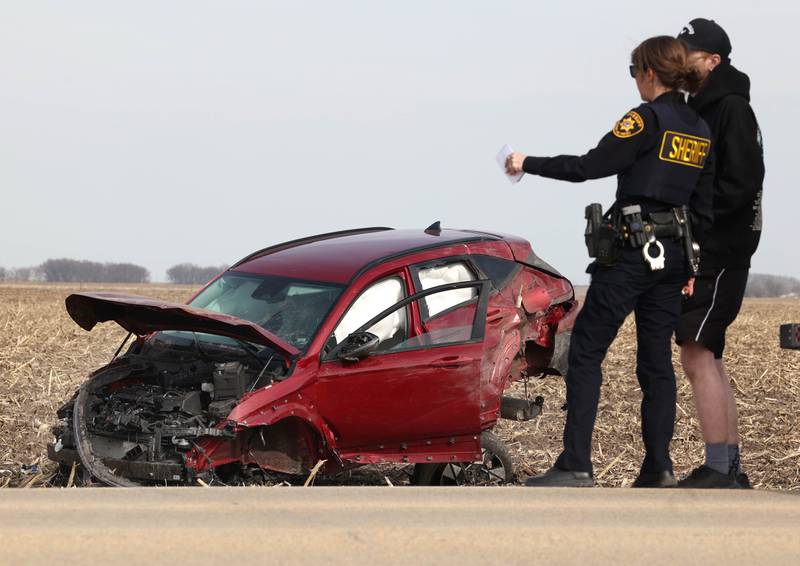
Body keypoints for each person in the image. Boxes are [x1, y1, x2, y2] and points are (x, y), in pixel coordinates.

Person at [506, 36, 714, 487]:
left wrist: (527, 162)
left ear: (649, 72)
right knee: (656, 361)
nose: (635, 81)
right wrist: (694, 268)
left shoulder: (645, 118)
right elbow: (705, 204)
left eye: (634, 72)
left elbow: (588, 166)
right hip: (676, 256)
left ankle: (576, 463)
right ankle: (658, 468)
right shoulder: (698, 127)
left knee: (586, 351)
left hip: (632, 253)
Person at [674, 18, 764, 489]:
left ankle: (719, 468)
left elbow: (743, 184)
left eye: (687, 51)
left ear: (713, 60)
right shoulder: (707, 107)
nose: (679, 58)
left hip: (720, 246)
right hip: (714, 244)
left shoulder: (729, 108)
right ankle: (727, 466)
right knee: (708, 353)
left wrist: (700, 232)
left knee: (696, 352)